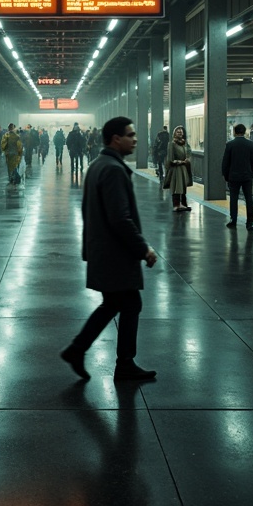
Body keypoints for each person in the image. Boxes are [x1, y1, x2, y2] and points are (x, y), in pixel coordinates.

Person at [60, 117, 158, 383]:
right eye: (131, 134)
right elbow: (120, 218)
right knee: (127, 303)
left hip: (103, 250)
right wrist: (143, 249)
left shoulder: (98, 165)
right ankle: (121, 363)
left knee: (116, 303)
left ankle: (78, 350)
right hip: (115, 253)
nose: (135, 139)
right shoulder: (113, 169)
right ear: (116, 138)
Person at [221, 122, 253, 230]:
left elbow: (225, 162)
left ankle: (233, 220)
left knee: (233, 198)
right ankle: (250, 222)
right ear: (245, 132)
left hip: (233, 176)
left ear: (234, 132)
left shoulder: (229, 144)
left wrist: (226, 176)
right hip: (247, 176)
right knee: (249, 199)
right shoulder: (252, 145)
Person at [162, 125, 193, 212]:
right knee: (176, 186)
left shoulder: (185, 143)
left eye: (181, 132)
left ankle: (183, 204)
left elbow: (189, 153)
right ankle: (176, 205)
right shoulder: (172, 144)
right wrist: (178, 162)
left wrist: (188, 159)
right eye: (178, 131)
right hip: (176, 168)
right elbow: (170, 158)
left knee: (183, 186)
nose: (180, 133)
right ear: (174, 134)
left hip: (184, 168)